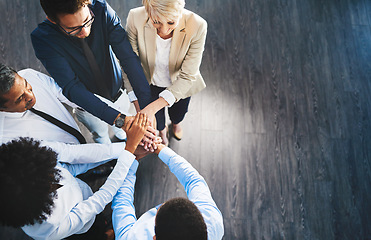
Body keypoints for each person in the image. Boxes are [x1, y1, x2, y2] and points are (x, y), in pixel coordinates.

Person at [0, 112, 148, 240]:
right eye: (50, 177)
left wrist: (127, 150)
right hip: (82, 227)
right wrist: (129, 153)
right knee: (94, 233)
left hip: (83, 195)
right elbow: (99, 200)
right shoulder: (50, 226)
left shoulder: (31, 165)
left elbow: (72, 167)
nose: (54, 173)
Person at [31, 0, 153, 144]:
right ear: (52, 20)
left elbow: (128, 58)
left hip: (119, 91)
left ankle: (121, 136)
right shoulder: (43, 39)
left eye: (87, 20)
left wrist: (146, 108)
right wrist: (121, 120)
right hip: (87, 106)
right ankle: (109, 158)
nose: (85, 31)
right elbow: (72, 87)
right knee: (100, 135)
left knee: (122, 128)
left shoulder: (101, 9)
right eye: (73, 29)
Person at [125, 0, 208, 145]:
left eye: (171, 22)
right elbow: (128, 64)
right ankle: (162, 132)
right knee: (157, 120)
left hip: (180, 83)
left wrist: (149, 109)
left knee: (179, 114)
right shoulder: (135, 17)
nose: (163, 30)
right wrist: (141, 109)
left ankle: (176, 123)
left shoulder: (198, 25)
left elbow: (188, 75)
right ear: (148, 11)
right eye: (156, 22)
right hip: (148, 83)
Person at [111, 144, 224, 239]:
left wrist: (132, 157)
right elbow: (194, 180)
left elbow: (122, 202)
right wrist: (160, 148)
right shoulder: (213, 221)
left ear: (154, 237)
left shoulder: (131, 237)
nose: (162, 204)